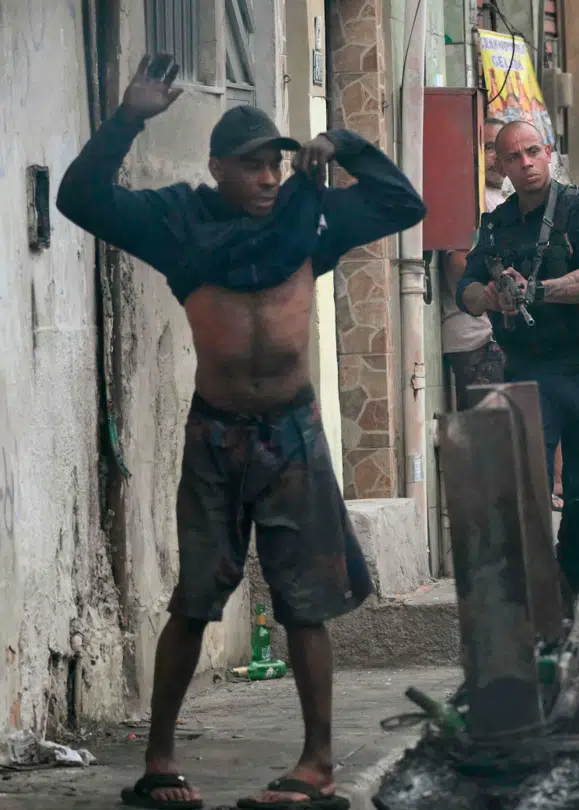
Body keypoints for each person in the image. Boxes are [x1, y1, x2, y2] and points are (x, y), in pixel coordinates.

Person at [55, 54, 426, 810]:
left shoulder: (308, 216)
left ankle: (317, 766)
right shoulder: (177, 222)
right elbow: (80, 198)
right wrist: (129, 116)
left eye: (276, 165)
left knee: (305, 603)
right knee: (195, 600)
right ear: (217, 166)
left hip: (293, 433)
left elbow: (403, 205)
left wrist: (344, 146)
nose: (267, 178)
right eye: (253, 166)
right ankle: (159, 763)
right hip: (216, 438)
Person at [456, 120, 579, 611]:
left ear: (548, 153)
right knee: (522, 486)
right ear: (503, 166)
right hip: (528, 371)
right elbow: (463, 289)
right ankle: (531, 596)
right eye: (514, 157)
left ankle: (568, 579)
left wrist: (539, 292)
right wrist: (488, 296)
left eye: (533, 151)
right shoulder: (498, 223)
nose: (526, 163)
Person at [441, 117, 511, 413]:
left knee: (521, 443)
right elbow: (458, 265)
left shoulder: (504, 198)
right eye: (489, 148)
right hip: (478, 340)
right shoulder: (468, 198)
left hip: (502, 339)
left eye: (502, 149)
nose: (498, 157)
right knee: (492, 442)